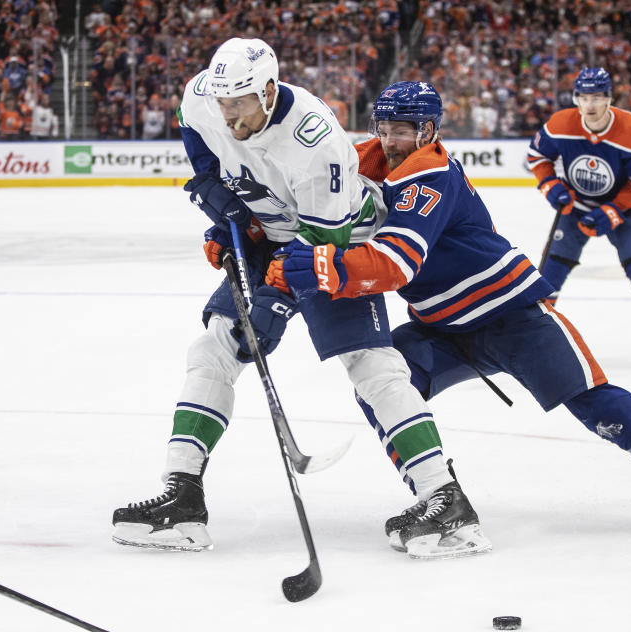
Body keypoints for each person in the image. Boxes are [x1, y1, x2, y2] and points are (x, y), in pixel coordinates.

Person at [269, 80, 631, 557]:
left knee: (598, 405)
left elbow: (394, 266)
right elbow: (315, 182)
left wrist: (316, 268)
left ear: (430, 130)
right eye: (385, 128)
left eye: (405, 129)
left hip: (512, 315)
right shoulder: (368, 156)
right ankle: (443, 498)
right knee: (383, 383)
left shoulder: (430, 175)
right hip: (442, 326)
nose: (392, 140)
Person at [110, 38, 485, 557]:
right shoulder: (206, 96)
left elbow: (319, 241)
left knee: (371, 365)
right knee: (214, 350)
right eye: (222, 101)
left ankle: (446, 501)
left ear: (267, 91)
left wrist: (275, 302)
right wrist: (218, 197)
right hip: (272, 231)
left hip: (335, 237)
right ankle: (182, 498)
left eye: (239, 103)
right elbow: (195, 130)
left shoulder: (315, 141)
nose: (228, 113)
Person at [526, 67, 631, 369]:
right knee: (550, 276)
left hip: (625, 209)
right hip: (575, 207)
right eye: (584, 97)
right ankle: (531, 343)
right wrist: (550, 186)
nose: (590, 105)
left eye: (597, 97)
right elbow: (537, 158)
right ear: (576, 99)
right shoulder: (560, 124)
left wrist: (614, 210)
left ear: (609, 99)